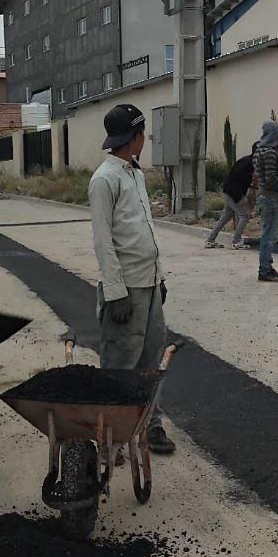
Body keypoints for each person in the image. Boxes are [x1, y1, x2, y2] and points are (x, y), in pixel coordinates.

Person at [88, 104, 174, 456]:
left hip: (150, 284)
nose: (146, 139)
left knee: (151, 359)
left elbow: (143, 231)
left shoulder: (135, 174)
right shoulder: (104, 179)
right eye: (143, 134)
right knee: (120, 365)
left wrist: (160, 277)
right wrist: (115, 292)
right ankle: (111, 438)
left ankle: (149, 424)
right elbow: (102, 241)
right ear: (135, 137)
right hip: (126, 290)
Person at [252, 120, 278, 282]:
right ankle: (264, 270)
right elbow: (271, 177)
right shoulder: (270, 153)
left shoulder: (259, 150)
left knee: (268, 234)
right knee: (269, 236)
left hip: (264, 196)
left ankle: (267, 266)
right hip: (271, 198)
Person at [205, 150, 255, 249]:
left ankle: (210, 240)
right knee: (244, 216)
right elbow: (249, 178)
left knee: (226, 216)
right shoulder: (250, 164)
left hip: (228, 190)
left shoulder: (245, 160)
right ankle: (236, 242)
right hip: (234, 192)